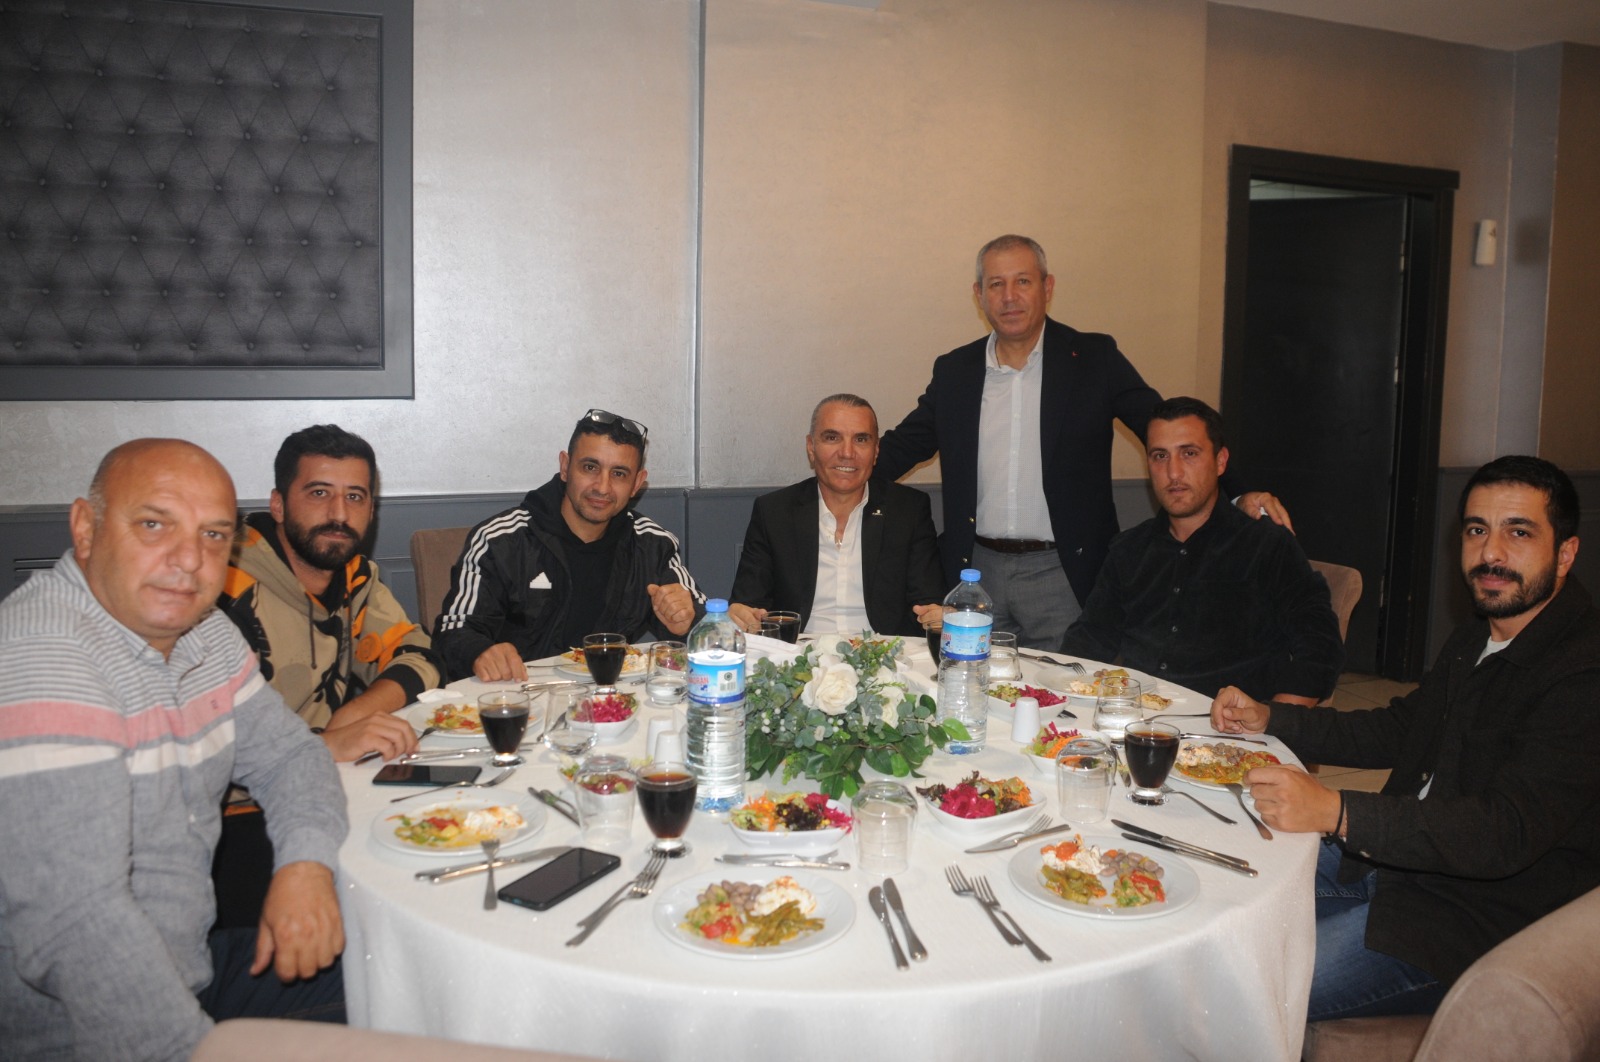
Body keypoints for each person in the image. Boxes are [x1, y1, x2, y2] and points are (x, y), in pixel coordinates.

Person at [1211, 455, 1600, 1021]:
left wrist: (1337, 811)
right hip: (1393, 869)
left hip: (1467, 922)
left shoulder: (1582, 673)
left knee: (1246, 993)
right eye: (1477, 530)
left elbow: (1504, 830)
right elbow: (1399, 727)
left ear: (1565, 553)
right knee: (1215, 902)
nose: (1491, 553)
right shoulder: (1480, 635)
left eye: (1518, 532)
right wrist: (1271, 719)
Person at [0, 439, 349, 1059]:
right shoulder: (44, 659)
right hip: (78, 1034)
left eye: (213, 535)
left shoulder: (204, 633)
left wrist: (304, 866)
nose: (189, 560)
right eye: (154, 525)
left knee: (407, 979)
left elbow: (291, 757)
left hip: (194, 970)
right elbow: (76, 927)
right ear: (85, 527)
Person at [877, 233, 1287, 648]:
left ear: (1048, 287)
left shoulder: (1093, 359)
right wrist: (845, 473)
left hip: (1063, 575)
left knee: (1066, 685)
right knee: (970, 683)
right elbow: (904, 445)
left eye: (1023, 281)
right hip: (975, 576)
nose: (1009, 296)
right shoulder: (956, 371)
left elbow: (1170, 428)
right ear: (979, 294)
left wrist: (1240, 491)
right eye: (996, 284)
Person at [1060, 397, 1342, 702]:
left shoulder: (1265, 545)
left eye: (1189, 453)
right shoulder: (1128, 550)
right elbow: (1089, 640)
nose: (1174, 472)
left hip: (1228, 723)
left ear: (1220, 461)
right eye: (1160, 456)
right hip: (1134, 717)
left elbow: (1319, 649)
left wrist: (1276, 720)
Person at [434, 409, 705, 681]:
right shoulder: (500, 540)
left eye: (619, 474)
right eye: (590, 467)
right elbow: (453, 632)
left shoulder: (653, 544)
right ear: (565, 467)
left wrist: (685, 622)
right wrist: (479, 651)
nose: (602, 487)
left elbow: (706, 628)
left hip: (614, 697)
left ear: (637, 483)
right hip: (521, 695)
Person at [219, 424, 434, 764]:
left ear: (372, 511)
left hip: (328, 772)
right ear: (278, 505)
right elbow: (207, 747)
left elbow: (420, 656)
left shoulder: (355, 578)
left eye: (354, 496)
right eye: (319, 493)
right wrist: (326, 745)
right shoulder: (220, 590)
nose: (339, 514)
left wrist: (356, 714)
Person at [729, 394, 946, 637]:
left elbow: (928, 605)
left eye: (861, 439)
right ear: (811, 447)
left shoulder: (908, 510)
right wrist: (741, 614)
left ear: (876, 450)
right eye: (832, 438)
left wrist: (937, 615)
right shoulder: (774, 511)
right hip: (797, 652)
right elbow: (748, 604)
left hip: (885, 651)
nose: (847, 453)